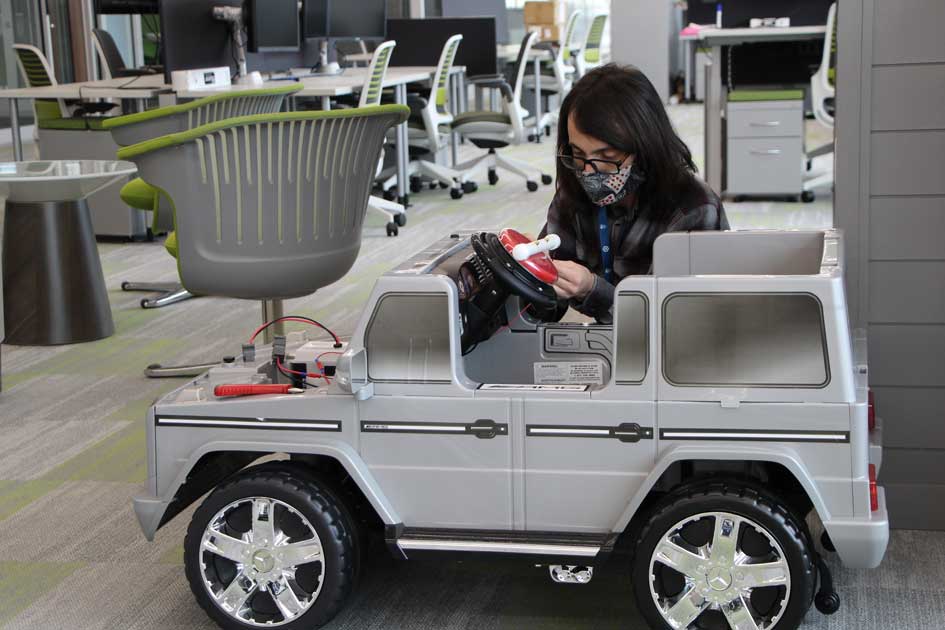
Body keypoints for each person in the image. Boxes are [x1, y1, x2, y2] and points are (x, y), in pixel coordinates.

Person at [539, 64, 728, 323]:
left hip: (673, 347)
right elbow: (547, 304)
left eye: (607, 157)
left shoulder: (693, 209)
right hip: (604, 344)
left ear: (645, 145)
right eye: (578, 154)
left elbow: (671, 321)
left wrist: (592, 289)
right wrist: (534, 275)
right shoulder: (573, 191)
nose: (588, 172)